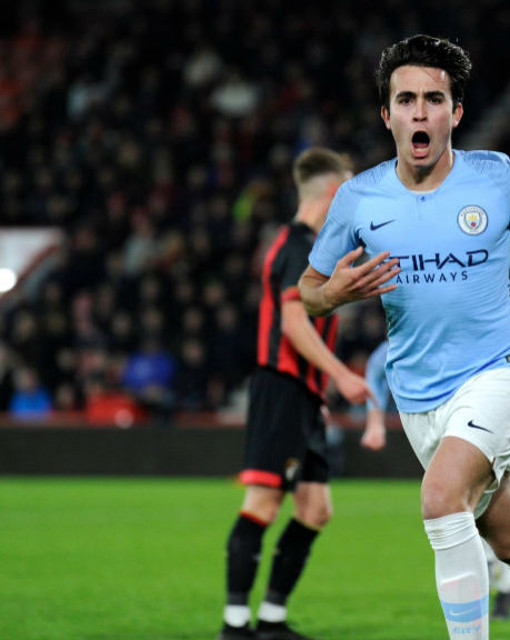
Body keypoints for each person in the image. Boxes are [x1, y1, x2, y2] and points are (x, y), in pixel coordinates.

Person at [300, 35, 510, 640]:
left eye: (433, 99)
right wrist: (335, 294)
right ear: (386, 115)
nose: (419, 112)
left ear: (456, 113)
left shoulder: (497, 180)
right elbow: (310, 288)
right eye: (406, 100)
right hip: (419, 397)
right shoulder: (359, 199)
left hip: (501, 370)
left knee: (441, 497)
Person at [220, 147, 374, 640]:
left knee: (315, 509)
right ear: (332, 191)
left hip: (303, 394)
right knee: (263, 503)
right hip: (282, 389)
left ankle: (270, 619)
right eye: (347, 191)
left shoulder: (305, 245)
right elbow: (291, 322)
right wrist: (341, 374)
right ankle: (235, 626)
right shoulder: (300, 245)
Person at [360, 340, 510, 621]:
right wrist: (375, 422)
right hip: (436, 429)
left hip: (474, 427)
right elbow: (376, 368)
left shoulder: (464, 329)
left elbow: (508, 377)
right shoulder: (410, 336)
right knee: (467, 515)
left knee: (473, 517)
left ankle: (509, 586)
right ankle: (507, 585)